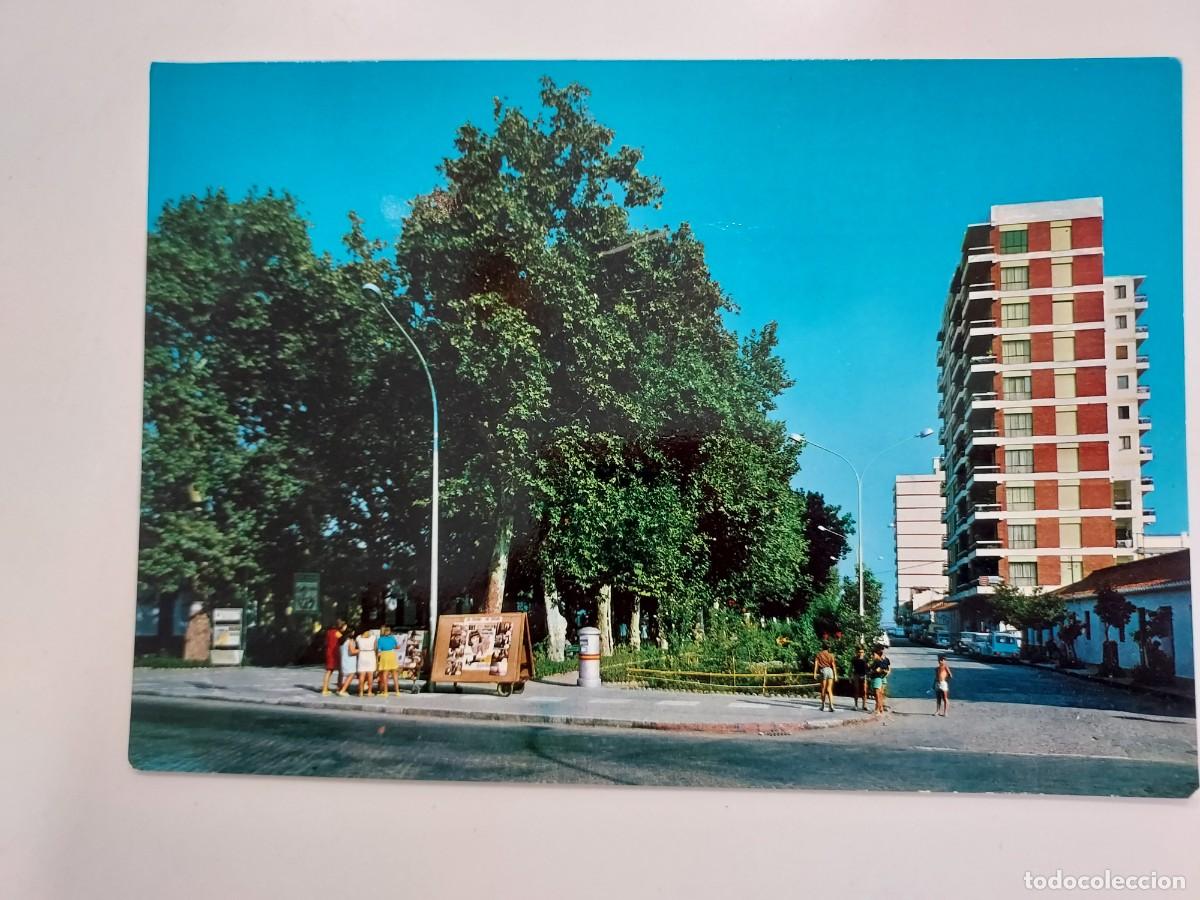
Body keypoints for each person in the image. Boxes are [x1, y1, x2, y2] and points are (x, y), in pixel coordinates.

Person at [321, 619, 347, 695]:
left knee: (329, 671)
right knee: (340, 671)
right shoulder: (337, 633)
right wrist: (344, 631)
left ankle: (324, 689)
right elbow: (343, 640)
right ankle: (339, 687)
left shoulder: (329, 632)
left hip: (329, 652)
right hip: (335, 653)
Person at [375, 625, 401, 697]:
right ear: (389, 632)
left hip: (384, 655)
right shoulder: (392, 638)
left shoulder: (380, 639)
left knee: (385, 675)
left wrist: (377, 660)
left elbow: (379, 651)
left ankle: (385, 692)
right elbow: (397, 646)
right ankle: (397, 691)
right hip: (392, 655)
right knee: (395, 675)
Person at [813, 643, 838, 712]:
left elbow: (816, 664)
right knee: (829, 689)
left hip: (823, 670)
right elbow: (833, 665)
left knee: (823, 689)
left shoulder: (819, 654)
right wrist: (835, 675)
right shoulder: (831, 655)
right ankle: (831, 705)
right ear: (828, 648)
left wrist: (814, 673)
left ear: (822, 647)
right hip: (830, 670)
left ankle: (823, 705)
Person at [353, 627, 377, 697]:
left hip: (362, 655)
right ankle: (369, 692)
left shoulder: (358, 638)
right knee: (370, 675)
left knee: (361, 675)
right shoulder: (373, 637)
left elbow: (357, 647)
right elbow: (375, 648)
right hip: (370, 654)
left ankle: (360, 692)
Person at [335, 628, 359, 696]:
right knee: (351, 675)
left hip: (344, 660)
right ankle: (343, 690)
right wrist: (360, 650)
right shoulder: (350, 641)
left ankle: (340, 689)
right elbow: (352, 652)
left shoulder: (341, 641)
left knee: (344, 675)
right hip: (350, 661)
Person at [868, 645, 892, 715]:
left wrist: (884, 671)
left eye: (874, 654)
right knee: (880, 694)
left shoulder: (879, 661)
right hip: (881, 677)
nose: (873, 655)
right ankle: (880, 708)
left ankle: (878, 709)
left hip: (878, 677)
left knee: (878, 694)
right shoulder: (878, 660)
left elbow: (880, 670)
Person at [850, 646, 869, 711]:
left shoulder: (866, 658)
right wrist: (850, 676)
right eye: (859, 652)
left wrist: (867, 675)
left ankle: (864, 705)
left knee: (864, 690)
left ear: (864, 653)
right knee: (856, 690)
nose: (861, 653)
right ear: (857, 652)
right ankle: (856, 705)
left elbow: (868, 667)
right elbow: (851, 667)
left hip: (864, 675)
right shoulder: (854, 659)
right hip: (856, 675)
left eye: (862, 652)